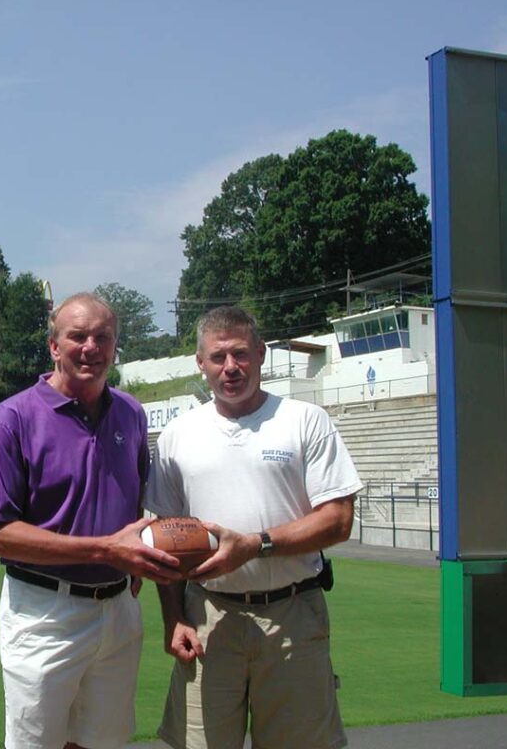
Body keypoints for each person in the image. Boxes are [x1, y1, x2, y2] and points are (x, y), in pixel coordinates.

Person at [146, 305, 361, 749]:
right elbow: (165, 536)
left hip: (291, 615)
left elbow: (338, 520)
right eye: (218, 357)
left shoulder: (304, 421)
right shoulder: (178, 435)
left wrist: (256, 545)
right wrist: (173, 618)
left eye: (240, 354)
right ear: (200, 364)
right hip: (207, 615)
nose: (231, 368)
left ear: (261, 354)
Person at [0, 291, 183, 749]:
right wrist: (106, 550)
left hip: (117, 611)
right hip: (44, 612)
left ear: (114, 346)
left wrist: (152, 583)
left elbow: (140, 509)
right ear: (54, 346)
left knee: (102, 742)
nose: (91, 346)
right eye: (78, 336)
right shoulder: (12, 419)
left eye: (103, 337)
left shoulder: (130, 413)